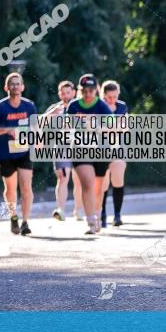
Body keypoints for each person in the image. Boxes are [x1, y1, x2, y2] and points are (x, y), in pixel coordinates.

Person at [0, 72, 37, 236]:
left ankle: (26, 222)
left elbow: (35, 127)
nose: (15, 86)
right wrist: (8, 130)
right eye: (12, 84)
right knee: (10, 190)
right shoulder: (0, 107)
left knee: (26, 187)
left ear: (23, 87)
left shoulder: (29, 106)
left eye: (18, 83)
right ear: (6, 87)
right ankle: (13, 216)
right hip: (6, 154)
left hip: (24, 152)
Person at [66, 74, 113, 235]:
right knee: (87, 183)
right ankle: (91, 221)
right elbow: (66, 126)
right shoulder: (73, 106)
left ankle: (98, 214)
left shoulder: (102, 107)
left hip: (100, 149)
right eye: (84, 91)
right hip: (80, 148)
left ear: (96, 91)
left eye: (91, 91)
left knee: (99, 188)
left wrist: (95, 125)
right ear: (80, 91)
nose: (87, 94)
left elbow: (111, 127)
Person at [43, 80, 80, 221]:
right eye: (62, 93)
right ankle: (61, 210)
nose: (65, 96)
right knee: (63, 178)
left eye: (68, 92)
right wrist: (51, 114)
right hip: (60, 147)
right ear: (59, 94)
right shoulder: (55, 108)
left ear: (74, 92)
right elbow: (38, 123)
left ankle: (78, 210)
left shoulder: (81, 106)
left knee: (79, 180)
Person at [100, 80, 129, 227]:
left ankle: (117, 215)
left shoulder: (122, 106)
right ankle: (102, 214)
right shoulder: (98, 106)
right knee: (103, 182)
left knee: (118, 180)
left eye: (114, 96)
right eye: (109, 97)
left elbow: (125, 127)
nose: (112, 99)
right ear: (103, 95)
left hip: (118, 147)